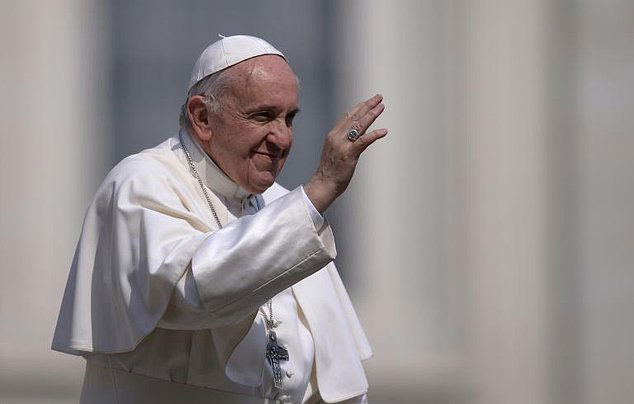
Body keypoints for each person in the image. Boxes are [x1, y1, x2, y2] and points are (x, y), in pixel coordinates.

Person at [52, 35, 387, 404]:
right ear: (203, 117)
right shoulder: (141, 182)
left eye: (289, 118)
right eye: (263, 116)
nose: (282, 138)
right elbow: (192, 289)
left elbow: (334, 383)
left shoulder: (281, 203)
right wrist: (320, 188)